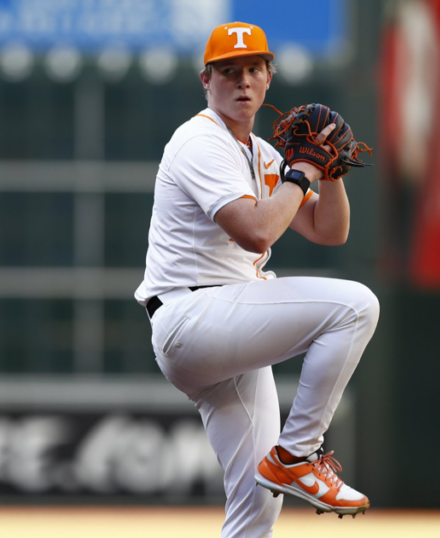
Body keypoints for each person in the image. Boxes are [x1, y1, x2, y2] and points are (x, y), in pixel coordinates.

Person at [134, 22, 380, 537]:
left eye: (253, 70)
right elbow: (255, 232)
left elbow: (328, 230)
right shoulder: (198, 140)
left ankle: (287, 463)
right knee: (355, 306)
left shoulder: (264, 155)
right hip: (194, 316)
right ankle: (297, 456)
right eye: (229, 71)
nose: (242, 81)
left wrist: (329, 174)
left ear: (269, 78)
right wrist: (302, 173)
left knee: (257, 508)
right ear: (207, 80)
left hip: (225, 330)